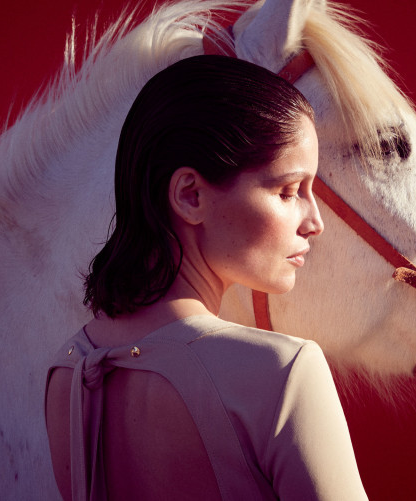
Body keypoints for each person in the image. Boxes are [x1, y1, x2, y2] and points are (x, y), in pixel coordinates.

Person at [44, 55, 367, 500]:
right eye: (289, 191)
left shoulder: (68, 368)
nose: (315, 222)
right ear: (190, 196)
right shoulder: (283, 372)